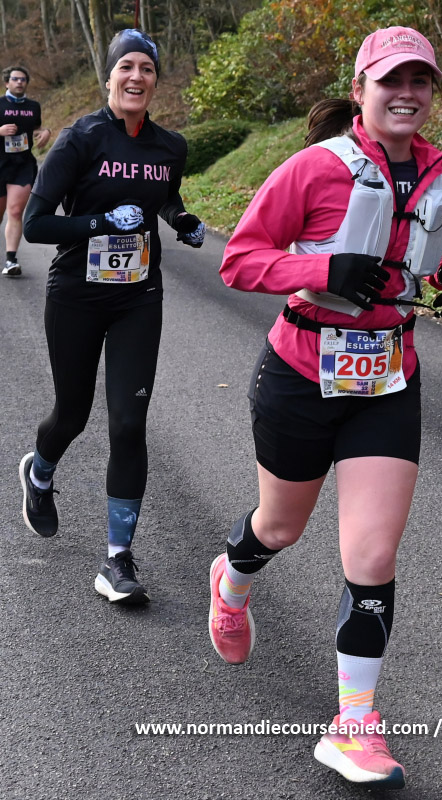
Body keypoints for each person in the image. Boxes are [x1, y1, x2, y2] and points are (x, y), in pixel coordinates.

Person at [208, 26, 442, 788]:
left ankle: (354, 725)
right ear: (360, 90)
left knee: (372, 556)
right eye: (392, 80)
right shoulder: (314, 167)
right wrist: (324, 269)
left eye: (421, 81)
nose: (408, 94)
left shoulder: (434, 166)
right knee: (280, 528)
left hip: (388, 377)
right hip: (302, 374)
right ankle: (232, 579)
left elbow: (424, 240)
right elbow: (239, 260)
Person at [19, 29, 205, 604]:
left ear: (155, 81)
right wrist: (100, 223)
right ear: (109, 77)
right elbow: (36, 224)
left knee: (128, 423)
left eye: (147, 68)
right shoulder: (80, 139)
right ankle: (39, 472)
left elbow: (164, 196)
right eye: (126, 66)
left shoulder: (170, 147)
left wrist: (179, 219)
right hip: (76, 294)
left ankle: (117, 559)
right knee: (72, 414)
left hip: (137, 297)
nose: (136, 76)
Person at [0, 65, 51, 276]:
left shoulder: (33, 106)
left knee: (15, 211)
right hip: (0, 163)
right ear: (7, 82)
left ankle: (11, 261)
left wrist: (45, 132)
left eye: (23, 79)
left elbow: (36, 128)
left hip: (22, 164)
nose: (19, 82)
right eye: (15, 79)